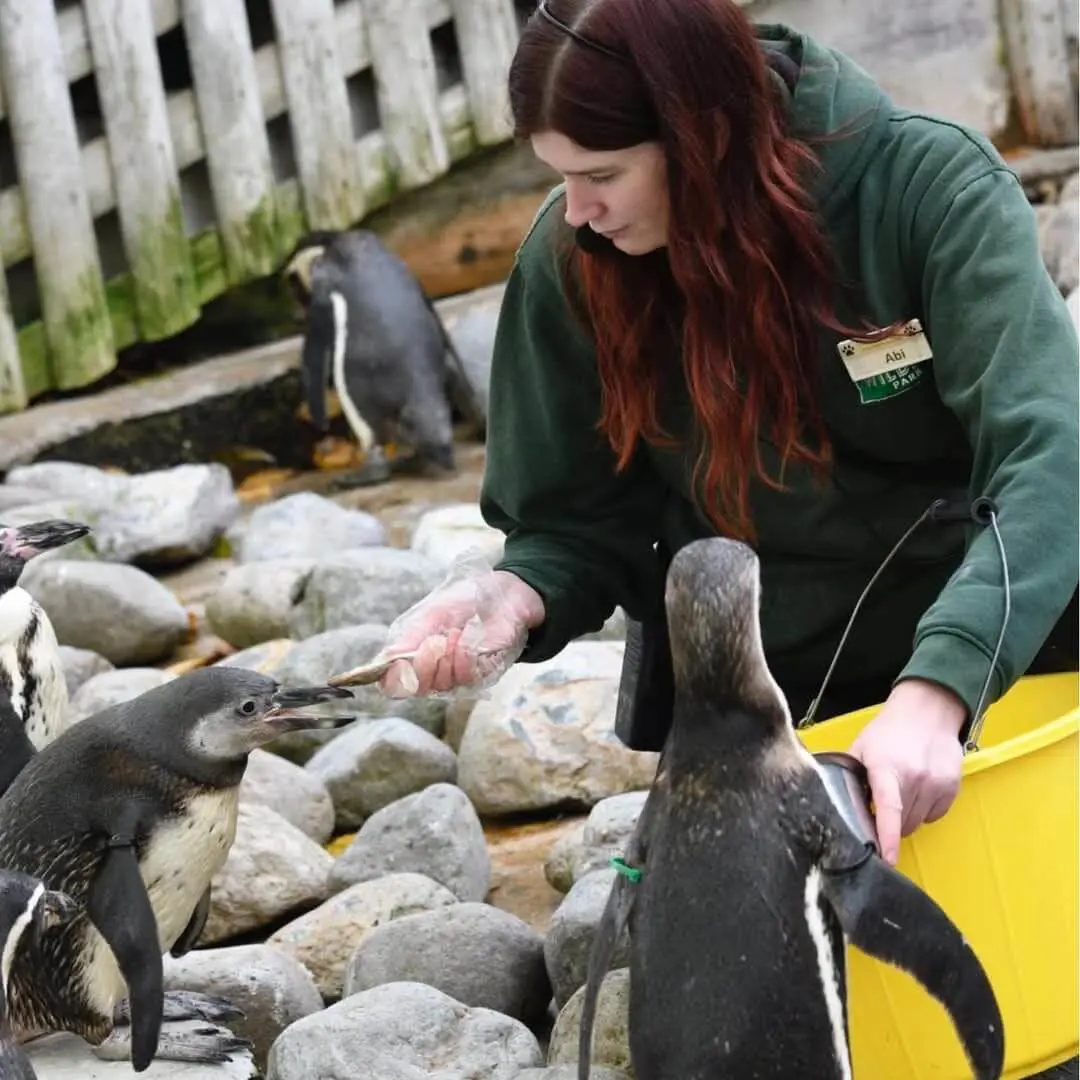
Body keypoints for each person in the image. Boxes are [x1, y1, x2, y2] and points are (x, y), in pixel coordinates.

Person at [377, 0, 1077, 923]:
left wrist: (942, 687)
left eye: (603, 175)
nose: (579, 214)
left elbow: (1050, 455)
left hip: (1010, 652)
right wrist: (514, 593)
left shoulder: (928, 185)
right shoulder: (573, 257)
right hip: (773, 689)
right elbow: (574, 522)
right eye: (560, 176)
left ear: (704, 140)